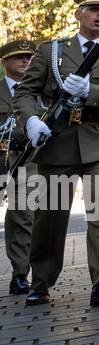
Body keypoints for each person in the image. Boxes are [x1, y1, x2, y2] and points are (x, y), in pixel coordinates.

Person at [14, 0, 99, 307]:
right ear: (78, 13)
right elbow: (25, 93)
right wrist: (31, 122)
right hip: (59, 143)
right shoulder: (51, 51)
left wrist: (90, 91)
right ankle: (40, 280)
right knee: (50, 216)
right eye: (94, 8)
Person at [1, 38, 38, 296]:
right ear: (5, 63)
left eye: (29, 57)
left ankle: (19, 274)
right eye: (19, 58)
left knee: (23, 216)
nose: (26, 61)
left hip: (28, 161)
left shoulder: (40, 92)